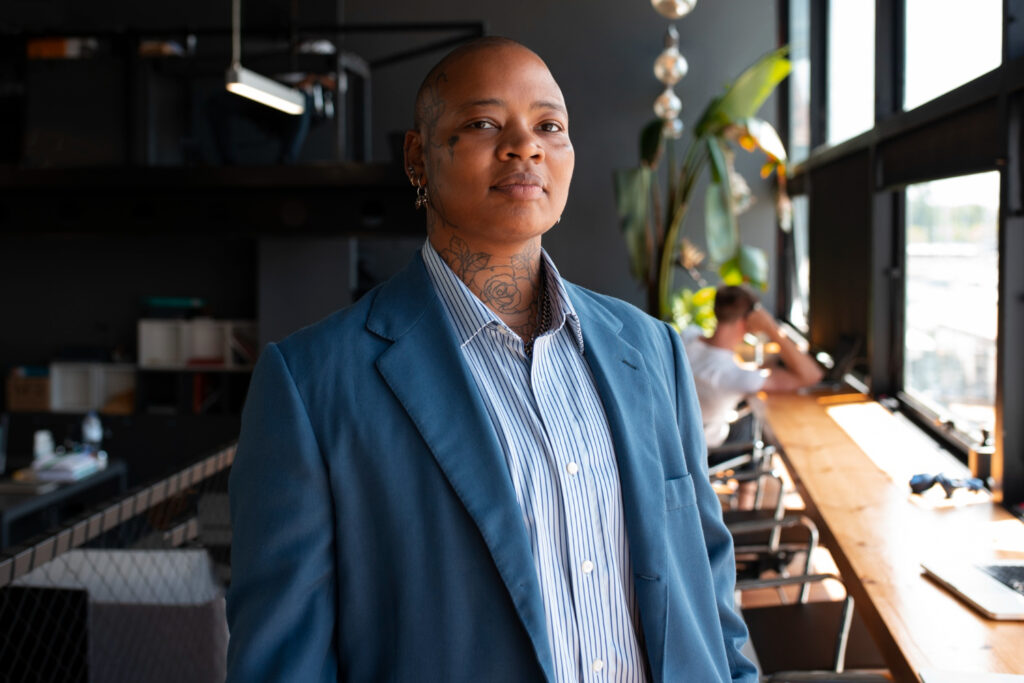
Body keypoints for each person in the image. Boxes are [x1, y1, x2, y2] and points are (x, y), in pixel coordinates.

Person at [226, 37, 757, 683]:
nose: (524, 146)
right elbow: (285, 664)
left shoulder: (649, 348)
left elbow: (707, 571)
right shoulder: (313, 383)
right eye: (483, 123)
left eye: (548, 126)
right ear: (418, 157)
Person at [682, 285, 824, 449]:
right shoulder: (736, 376)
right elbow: (812, 376)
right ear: (750, 319)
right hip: (706, 449)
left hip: (679, 436)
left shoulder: (687, 338)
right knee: (754, 422)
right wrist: (771, 327)